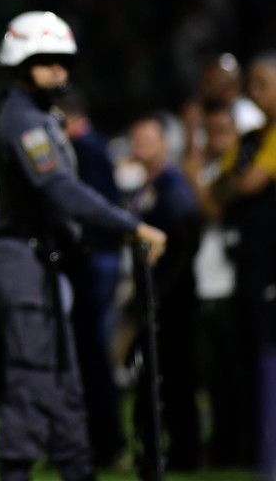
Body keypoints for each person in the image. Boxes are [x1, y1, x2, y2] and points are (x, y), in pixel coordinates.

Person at [0, 10, 166, 481]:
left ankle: (77, 468)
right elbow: (59, 190)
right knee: (31, 376)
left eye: (63, 61)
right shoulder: (24, 121)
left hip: (45, 261)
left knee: (65, 380)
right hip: (24, 261)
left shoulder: (41, 116)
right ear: (21, 64)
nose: (59, 71)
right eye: (46, 61)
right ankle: (16, 471)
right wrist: (131, 226)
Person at [52, 87, 129, 469]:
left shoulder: (86, 148)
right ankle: (101, 442)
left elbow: (91, 206)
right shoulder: (92, 146)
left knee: (93, 353)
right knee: (89, 352)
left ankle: (107, 443)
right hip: (99, 259)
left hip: (96, 261)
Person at [209, 49, 276, 472]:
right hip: (250, 266)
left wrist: (233, 185)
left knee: (269, 353)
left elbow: (246, 183)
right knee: (252, 357)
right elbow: (217, 191)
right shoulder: (252, 139)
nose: (253, 94)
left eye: (262, 85)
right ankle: (258, 449)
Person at [127, 112, 203, 473]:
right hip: (158, 295)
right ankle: (171, 446)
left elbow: (188, 232)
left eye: (146, 138)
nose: (137, 145)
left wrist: (163, 288)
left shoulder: (172, 184)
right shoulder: (151, 185)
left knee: (175, 374)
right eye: (135, 138)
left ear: (164, 142)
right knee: (163, 374)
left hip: (172, 296)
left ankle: (185, 450)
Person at [180, 100, 243, 467]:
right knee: (213, 380)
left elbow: (213, 209)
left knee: (235, 376)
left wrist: (193, 173)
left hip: (231, 286)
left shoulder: (235, 170)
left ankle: (241, 447)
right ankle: (221, 445)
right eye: (210, 132)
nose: (216, 140)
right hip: (206, 284)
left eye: (223, 131)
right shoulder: (206, 169)